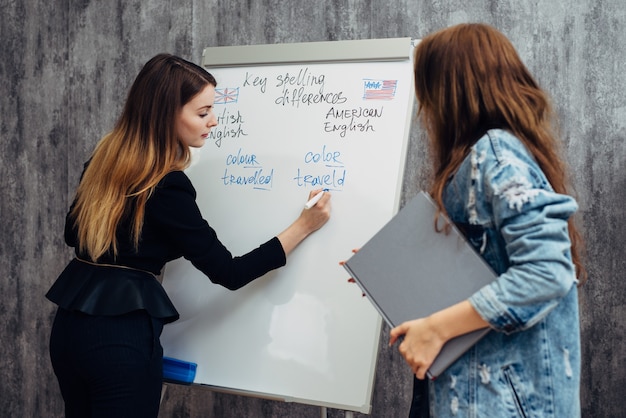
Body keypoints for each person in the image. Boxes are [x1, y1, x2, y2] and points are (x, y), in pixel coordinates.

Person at [46, 53, 331, 418]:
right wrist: (303, 226)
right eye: (202, 113)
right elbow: (229, 273)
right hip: (120, 344)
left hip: (69, 332)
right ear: (166, 114)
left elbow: (75, 236)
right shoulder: (167, 186)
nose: (213, 121)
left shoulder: (103, 161)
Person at [388, 24, 586, 417]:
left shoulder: (494, 154)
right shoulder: (489, 157)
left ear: (450, 93)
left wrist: (437, 328)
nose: (424, 111)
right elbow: (485, 268)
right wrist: (394, 273)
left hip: (503, 400)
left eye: (427, 94)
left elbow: (547, 271)